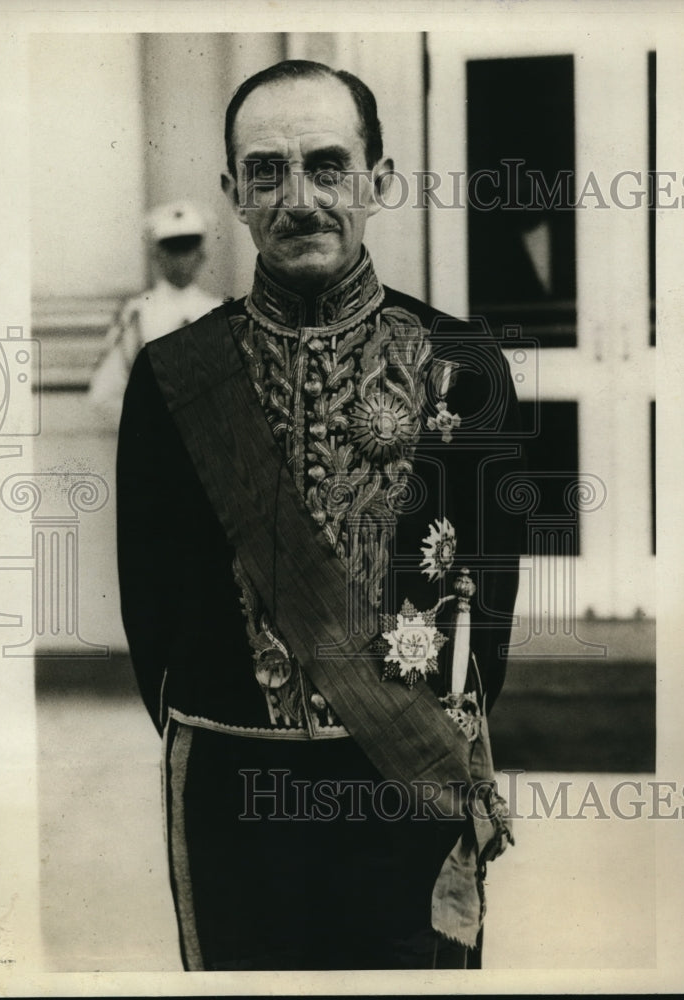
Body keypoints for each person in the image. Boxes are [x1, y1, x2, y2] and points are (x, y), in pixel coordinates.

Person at [117, 60, 524, 971]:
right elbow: (150, 614)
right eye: (266, 171)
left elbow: (488, 611)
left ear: (378, 180)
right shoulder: (172, 377)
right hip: (230, 783)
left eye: (328, 166)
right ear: (233, 193)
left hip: (404, 783)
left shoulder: (468, 364)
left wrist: (420, 740)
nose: (298, 198)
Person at [88, 200, 220, 426]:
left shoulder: (219, 312)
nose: (181, 259)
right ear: (157, 255)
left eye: (187, 248)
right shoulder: (137, 313)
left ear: (201, 255)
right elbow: (103, 392)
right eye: (172, 249)